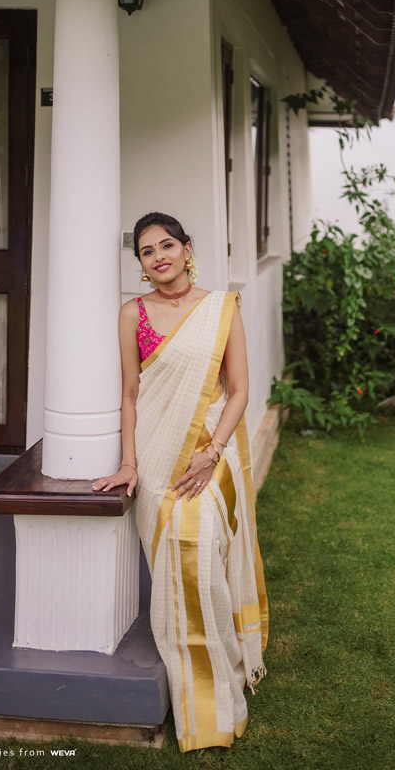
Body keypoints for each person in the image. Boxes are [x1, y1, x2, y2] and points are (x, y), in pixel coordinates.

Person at [91, 212, 268, 752]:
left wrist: (212, 453)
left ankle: (223, 675)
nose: (158, 256)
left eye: (167, 244)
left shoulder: (221, 308)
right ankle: (204, 693)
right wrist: (129, 464)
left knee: (205, 555)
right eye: (147, 251)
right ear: (141, 265)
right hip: (157, 457)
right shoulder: (132, 315)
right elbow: (129, 393)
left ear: (188, 248)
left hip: (206, 457)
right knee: (178, 570)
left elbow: (238, 390)